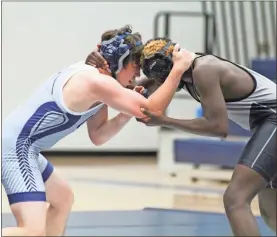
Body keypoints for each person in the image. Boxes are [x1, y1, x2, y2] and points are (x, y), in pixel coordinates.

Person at [2, 28, 194, 236]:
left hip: (23, 146)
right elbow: (152, 110)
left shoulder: (97, 79)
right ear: (120, 62)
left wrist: (125, 113)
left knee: (63, 198)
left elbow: (99, 135)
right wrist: (177, 70)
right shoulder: (97, 82)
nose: (137, 75)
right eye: (136, 66)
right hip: (16, 148)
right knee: (32, 231)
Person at [89, 36, 276, 236]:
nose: (163, 83)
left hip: (273, 120)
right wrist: (102, 68)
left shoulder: (204, 69)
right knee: (271, 211)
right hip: (266, 125)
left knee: (235, 199)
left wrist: (166, 121)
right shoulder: (178, 68)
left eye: (164, 76)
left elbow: (218, 127)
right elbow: (128, 91)